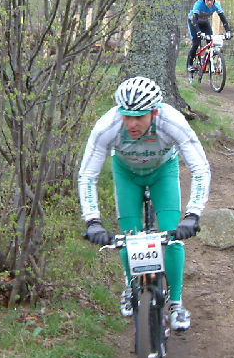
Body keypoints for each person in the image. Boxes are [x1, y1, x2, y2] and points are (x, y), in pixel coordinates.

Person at [78, 76, 211, 331]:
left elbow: (200, 169)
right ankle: (131, 284)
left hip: (163, 172)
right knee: (129, 237)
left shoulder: (171, 121)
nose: (132, 123)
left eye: (139, 116)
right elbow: (88, 175)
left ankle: (175, 302)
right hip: (126, 174)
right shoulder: (108, 126)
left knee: (172, 237)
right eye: (127, 116)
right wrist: (92, 220)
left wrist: (193, 214)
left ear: (154, 112)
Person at [186, 0, 233, 74]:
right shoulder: (198, 4)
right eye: (208, 0)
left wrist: (228, 31)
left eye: (212, 0)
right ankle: (190, 64)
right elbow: (194, 19)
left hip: (204, 22)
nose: (210, 2)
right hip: (193, 22)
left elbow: (223, 18)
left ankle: (205, 60)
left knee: (211, 42)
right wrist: (198, 32)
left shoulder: (216, 5)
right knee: (196, 43)